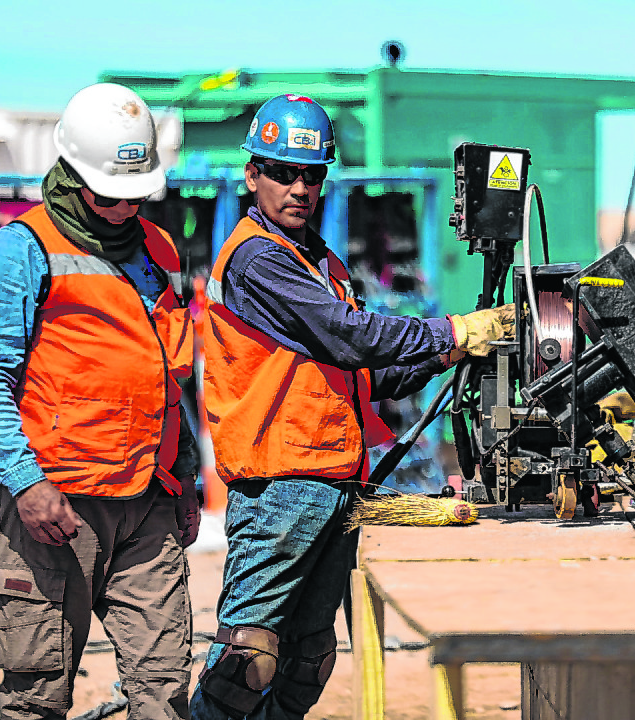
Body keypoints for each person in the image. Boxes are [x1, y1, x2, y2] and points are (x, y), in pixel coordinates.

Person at [188, 93, 515, 720]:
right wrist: (451, 331)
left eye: (311, 175)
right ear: (252, 174)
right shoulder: (257, 258)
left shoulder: (320, 262)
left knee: (308, 660)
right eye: (282, 173)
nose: (299, 189)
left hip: (335, 483)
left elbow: (366, 373)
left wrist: (452, 352)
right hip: (278, 488)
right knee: (246, 661)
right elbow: (352, 336)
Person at [0, 82, 200, 720]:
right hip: (51, 506)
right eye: (109, 194)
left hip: (147, 504)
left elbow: (169, 375)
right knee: (36, 697)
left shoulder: (160, 251)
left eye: (135, 195)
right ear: (72, 172)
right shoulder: (21, 249)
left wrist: (186, 478)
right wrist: (25, 482)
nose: (124, 209)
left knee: (165, 690)